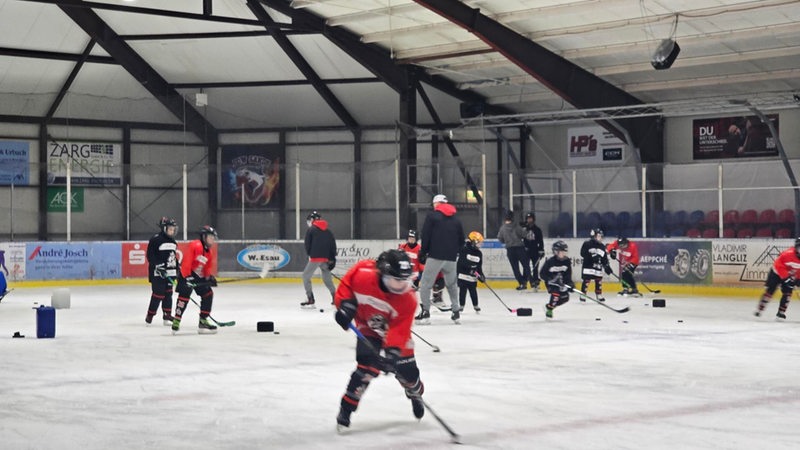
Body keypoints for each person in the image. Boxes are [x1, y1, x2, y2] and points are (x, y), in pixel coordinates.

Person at [333, 249, 425, 431]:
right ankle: (346, 408)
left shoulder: (408, 299)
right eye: (395, 280)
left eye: (404, 281)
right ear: (381, 273)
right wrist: (344, 306)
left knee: (408, 373)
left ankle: (415, 393)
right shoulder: (362, 274)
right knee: (366, 367)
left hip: (394, 334)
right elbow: (346, 287)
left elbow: (400, 329)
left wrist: (392, 352)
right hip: (368, 328)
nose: (400, 286)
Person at [416, 194, 465, 324]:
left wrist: (423, 251)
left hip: (435, 256)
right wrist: (455, 252)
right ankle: (456, 312)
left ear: (437, 203)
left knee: (426, 284)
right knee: (452, 285)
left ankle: (425, 312)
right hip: (451, 258)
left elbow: (426, 235)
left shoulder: (432, 216)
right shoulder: (456, 219)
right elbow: (461, 239)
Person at [172, 225, 219, 334]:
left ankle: (203, 321)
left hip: (197, 276)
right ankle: (177, 320)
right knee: (184, 296)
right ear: (204, 237)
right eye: (210, 237)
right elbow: (187, 262)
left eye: (213, 237)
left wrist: (208, 278)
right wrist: (187, 277)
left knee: (208, 294)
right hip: (186, 274)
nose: (212, 240)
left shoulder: (209, 252)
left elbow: (206, 267)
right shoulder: (195, 245)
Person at [754, 238, 800, 320]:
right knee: (770, 290)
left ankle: (781, 313)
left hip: (789, 274)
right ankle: (760, 308)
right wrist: (786, 278)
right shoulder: (787, 254)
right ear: (796, 247)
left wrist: (797, 279)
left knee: (788, 292)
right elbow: (778, 265)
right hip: (776, 273)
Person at [145, 217, 178, 325]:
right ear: (164, 228)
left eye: (173, 229)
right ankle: (150, 315)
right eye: (170, 229)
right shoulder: (155, 240)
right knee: (158, 294)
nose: (172, 231)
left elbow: (173, 257)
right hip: (157, 273)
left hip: (170, 273)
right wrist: (158, 266)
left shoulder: (173, 242)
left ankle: (167, 315)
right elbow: (150, 255)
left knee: (168, 294)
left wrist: (177, 267)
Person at [300, 211, 337, 308]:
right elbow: (333, 245)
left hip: (315, 258)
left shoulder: (311, 230)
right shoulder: (328, 231)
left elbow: (307, 244)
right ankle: (336, 298)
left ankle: (310, 299)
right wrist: (332, 259)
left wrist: (310, 254)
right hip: (326, 259)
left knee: (305, 276)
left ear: (312, 220)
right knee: (327, 279)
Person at [497, 210, 530, 290]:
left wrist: (507, 240)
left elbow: (500, 239)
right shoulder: (517, 226)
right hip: (520, 248)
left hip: (510, 249)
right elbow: (524, 235)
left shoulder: (503, 228)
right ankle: (529, 281)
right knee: (525, 265)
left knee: (515, 268)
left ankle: (522, 283)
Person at [541, 240, 574, 319]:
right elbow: (542, 274)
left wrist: (570, 284)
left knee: (565, 298)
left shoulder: (567, 261)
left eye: (564, 252)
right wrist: (550, 279)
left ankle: (549, 306)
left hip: (561, 283)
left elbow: (568, 274)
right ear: (556, 252)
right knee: (556, 294)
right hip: (552, 283)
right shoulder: (550, 262)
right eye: (562, 252)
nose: (564, 253)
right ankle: (549, 310)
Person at [456, 231, 486, 314]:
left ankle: (475, 305)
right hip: (463, 276)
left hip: (473, 278)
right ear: (473, 242)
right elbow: (462, 263)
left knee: (473, 291)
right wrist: (470, 269)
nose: (480, 245)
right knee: (463, 291)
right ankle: (461, 305)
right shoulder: (464, 249)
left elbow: (479, 266)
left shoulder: (479, 253)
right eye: (479, 243)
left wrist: (481, 276)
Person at [580, 228, 612, 301]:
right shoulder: (587, 244)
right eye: (599, 236)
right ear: (594, 236)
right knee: (586, 280)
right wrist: (591, 256)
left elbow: (604, 258)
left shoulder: (602, 246)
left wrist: (607, 265)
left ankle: (599, 294)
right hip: (588, 265)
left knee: (599, 280)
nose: (600, 238)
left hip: (597, 266)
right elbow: (582, 253)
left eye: (601, 236)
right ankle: (583, 294)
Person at [521, 212, 545, 290]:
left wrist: (541, 250)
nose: (529, 220)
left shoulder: (537, 230)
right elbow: (521, 238)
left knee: (535, 267)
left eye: (530, 218)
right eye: (528, 219)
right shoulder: (524, 229)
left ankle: (535, 282)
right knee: (526, 267)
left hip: (535, 250)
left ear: (533, 219)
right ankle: (524, 282)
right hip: (526, 251)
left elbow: (540, 241)